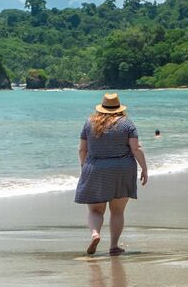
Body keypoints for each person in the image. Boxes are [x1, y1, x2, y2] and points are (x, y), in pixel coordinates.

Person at [75, 93, 148, 256]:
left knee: (95, 211)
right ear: (119, 108)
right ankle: (114, 246)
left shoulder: (89, 123)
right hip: (122, 169)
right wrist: (144, 168)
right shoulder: (127, 123)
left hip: (95, 168)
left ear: (101, 108)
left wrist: (84, 167)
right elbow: (136, 149)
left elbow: (82, 149)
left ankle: (95, 234)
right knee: (117, 212)